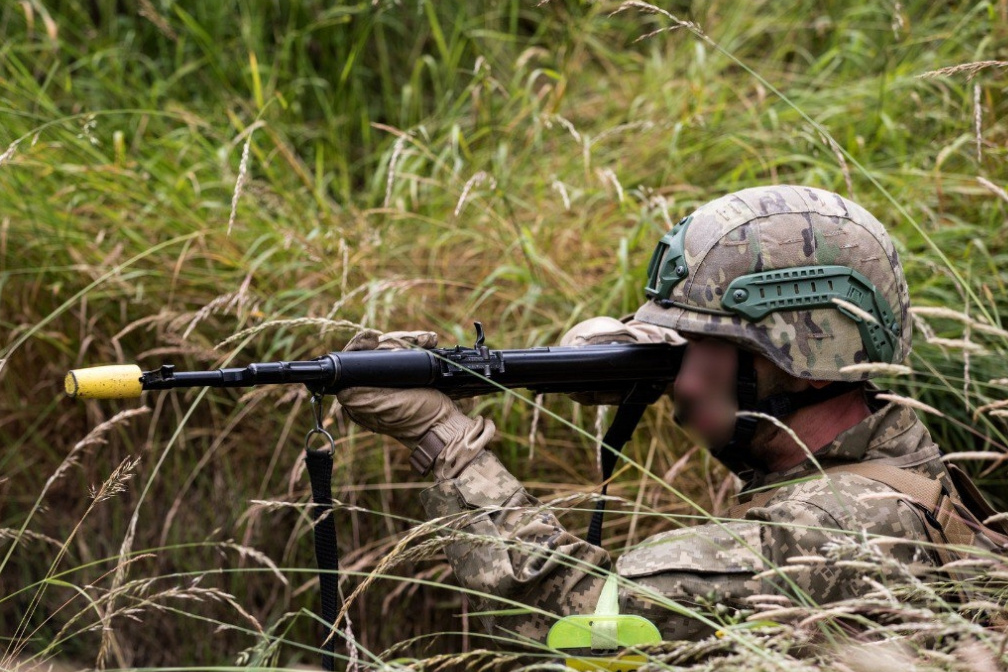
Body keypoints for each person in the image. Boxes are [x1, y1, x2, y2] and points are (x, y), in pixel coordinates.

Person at [337, 185, 969, 645]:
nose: (684, 383)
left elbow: (577, 622)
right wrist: (647, 355)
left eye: (711, 352)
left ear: (810, 362)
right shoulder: (895, 454)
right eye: (680, 350)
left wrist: (447, 443)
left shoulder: (831, 529)